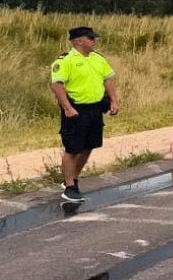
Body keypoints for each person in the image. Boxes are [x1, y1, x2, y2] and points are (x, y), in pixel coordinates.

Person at [49, 27, 120, 203]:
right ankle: (70, 187)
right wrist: (67, 107)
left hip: (95, 108)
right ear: (78, 41)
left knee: (89, 145)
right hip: (76, 109)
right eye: (90, 38)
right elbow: (57, 85)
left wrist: (114, 101)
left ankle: (73, 177)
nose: (94, 41)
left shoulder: (98, 58)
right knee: (73, 148)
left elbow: (107, 79)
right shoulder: (65, 61)